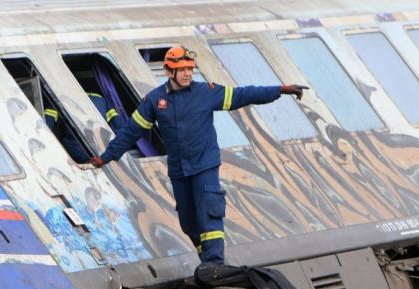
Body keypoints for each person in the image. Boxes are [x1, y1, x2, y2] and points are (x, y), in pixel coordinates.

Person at [88, 46, 307, 264]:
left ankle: (215, 262)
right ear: (168, 72)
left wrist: (280, 90)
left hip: (204, 165)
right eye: (182, 70)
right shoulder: (155, 101)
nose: (187, 74)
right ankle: (206, 259)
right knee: (188, 222)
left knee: (209, 213)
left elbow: (244, 94)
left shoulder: (206, 92)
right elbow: (131, 131)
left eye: (190, 69)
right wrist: (106, 157)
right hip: (179, 171)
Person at [44, 92, 125, 163]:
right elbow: (118, 125)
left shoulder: (60, 98)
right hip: (102, 153)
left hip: (77, 151)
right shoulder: (100, 99)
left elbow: (46, 126)